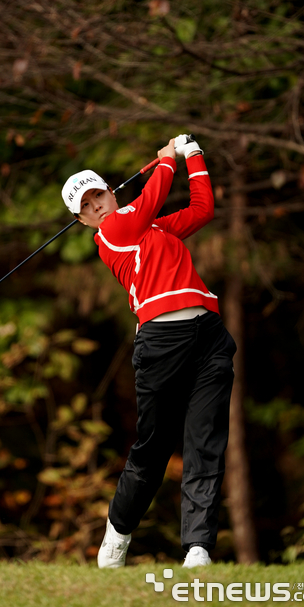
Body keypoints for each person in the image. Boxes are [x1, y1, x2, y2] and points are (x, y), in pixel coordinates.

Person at [61, 135, 236, 568]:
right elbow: (154, 195)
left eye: (97, 195)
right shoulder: (114, 232)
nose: (95, 206)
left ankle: (198, 548)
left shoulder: (149, 226)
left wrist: (193, 157)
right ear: (82, 220)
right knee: (154, 450)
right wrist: (166, 160)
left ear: (110, 191)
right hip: (161, 345)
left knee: (205, 440)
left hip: (208, 335)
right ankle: (118, 533)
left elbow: (201, 211)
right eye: (85, 206)